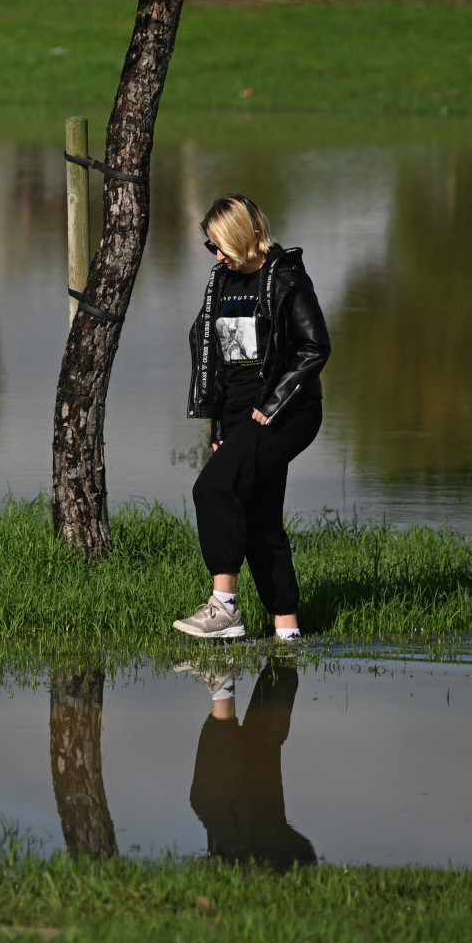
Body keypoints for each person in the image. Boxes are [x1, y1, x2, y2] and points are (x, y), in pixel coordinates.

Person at [175, 195, 330, 641]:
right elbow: (217, 361)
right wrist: (220, 426)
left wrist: (273, 404)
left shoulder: (287, 279)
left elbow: (315, 347)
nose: (216, 256)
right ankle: (287, 633)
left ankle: (223, 607)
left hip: (288, 413)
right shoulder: (222, 283)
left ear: (250, 236)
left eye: (221, 246)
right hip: (240, 416)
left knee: (213, 487)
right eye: (211, 247)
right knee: (261, 520)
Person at [182, 658, 317, 870]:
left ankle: (284, 652)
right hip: (273, 858)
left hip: (285, 856)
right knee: (212, 799)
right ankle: (224, 684)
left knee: (261, 747)